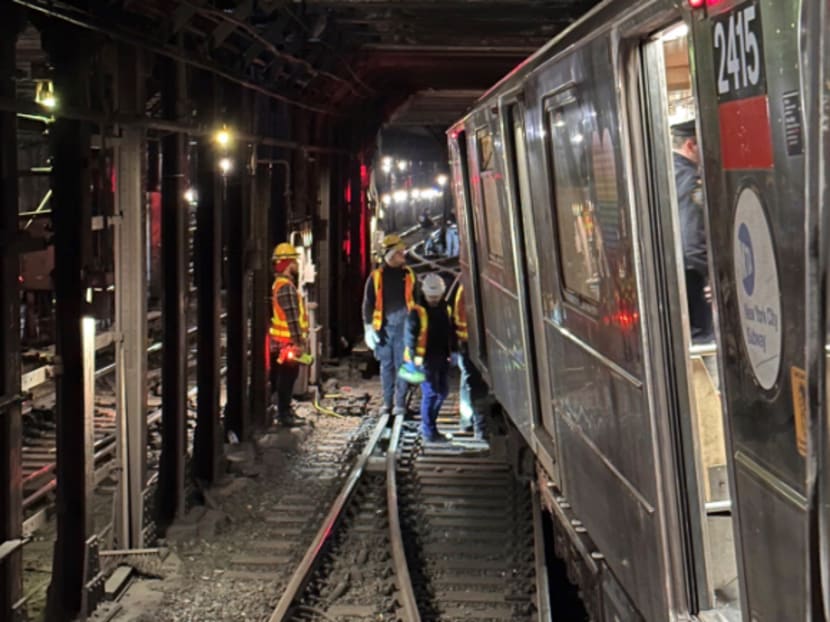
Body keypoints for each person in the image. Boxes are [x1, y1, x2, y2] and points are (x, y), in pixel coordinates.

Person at [363, 234, 417, 415]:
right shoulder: (376, 277)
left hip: (404, 328)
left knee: (402, 365)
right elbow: (368, 303)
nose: (403, 255)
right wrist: (369, 327)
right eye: (400, 252)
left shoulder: (409, 275)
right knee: (386, 366)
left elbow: (418, 301)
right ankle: (387, 403)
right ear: (391, 255)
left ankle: (399, 404)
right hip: (384, 329)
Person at [672, 119, 713, 343]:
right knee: (704, 341)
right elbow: (693, 240)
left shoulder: (668, 172)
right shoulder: (690, 179)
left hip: (677, 274)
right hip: (693, 276)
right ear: (690, 145)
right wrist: (713, 275)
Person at [404, 273, 455, 443]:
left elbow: (449, 332)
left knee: (442, 392)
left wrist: (453, 351)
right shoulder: (416, 312)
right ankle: (428, 430)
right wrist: (414, 358)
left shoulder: (445, 308)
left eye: (436, 296)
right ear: (424, 293)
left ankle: (429, 426)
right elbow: (410, 337)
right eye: (431, 296)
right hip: (424, 360)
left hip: (441, 356)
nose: (433, 299)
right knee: (431, 393)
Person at [269, 243, 308, 427]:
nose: (297, 264)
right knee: (287, 378)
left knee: (283, 377)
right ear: (287, 263)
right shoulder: (286, 287)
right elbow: (292, 318)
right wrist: (298, 342)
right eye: (294, 261)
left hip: (281, 342)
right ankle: (284, 414)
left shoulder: (278, 284)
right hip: (288, 343)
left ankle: (284, 411)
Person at [451, 282, 485, 440]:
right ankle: (477, 427)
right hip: (469, 344)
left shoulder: (462, 290)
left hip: (466, 344)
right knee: (474, 385)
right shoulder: (466, 292)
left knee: (468, 383)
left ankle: (467, 422)